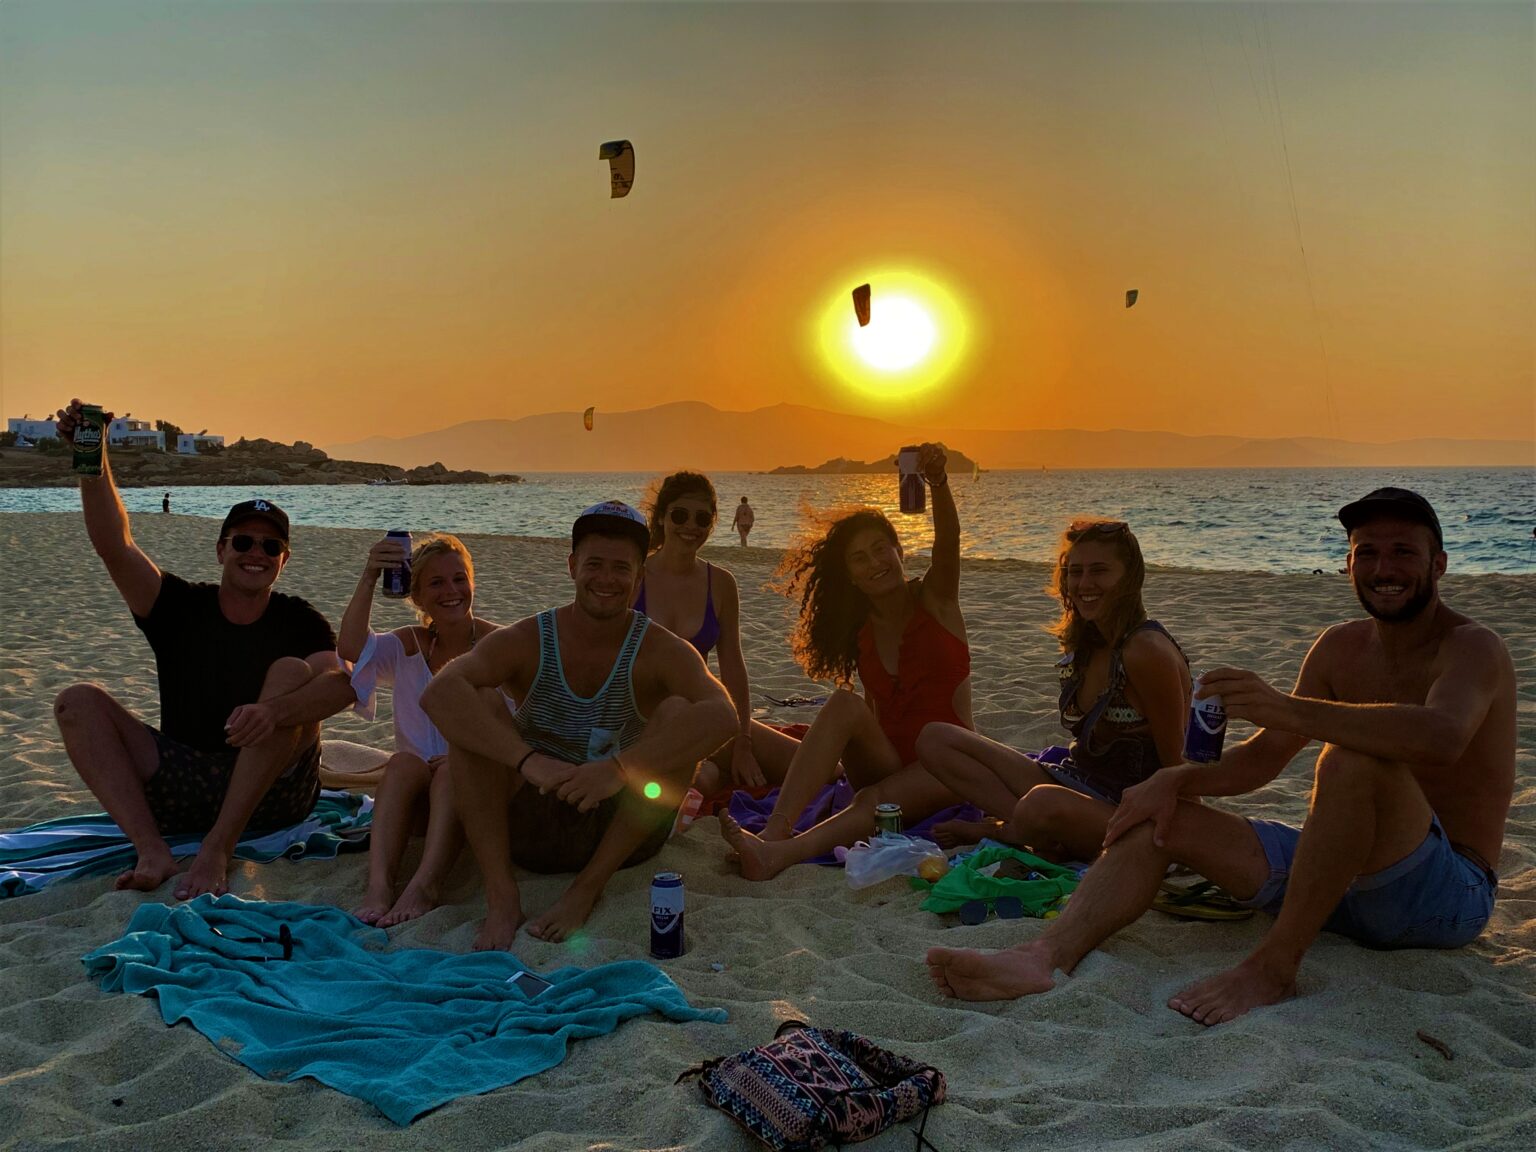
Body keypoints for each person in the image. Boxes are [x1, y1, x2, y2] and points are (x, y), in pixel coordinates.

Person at [927, 488, 1516, 1025]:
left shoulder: (1472, 648)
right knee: (1164, 812)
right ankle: (1042, 956)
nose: (1384, 569)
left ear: (1439, 564)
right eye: (1367, 554)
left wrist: (1286, 708)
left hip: (1442, 895)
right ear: (1348, 565)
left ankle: (1273, 968)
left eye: (1403, 553)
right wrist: (1177, 780)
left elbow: (1442, 736)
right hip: (1335, 881)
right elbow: (1259, 765)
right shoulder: (1339, 648)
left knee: (1352, 760)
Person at [50, 399, 355, 900]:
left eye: (270, 547)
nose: (255, 554)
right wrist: (94, 456)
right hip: (184, 779)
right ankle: (152, 849)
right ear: (221, 550)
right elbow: (114, 544)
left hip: (274, 790)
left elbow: (341, 684)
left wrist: (272, 712)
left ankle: (217, 849)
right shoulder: (178, 605)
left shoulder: (298, 618)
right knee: (76, 701)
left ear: (284, 560)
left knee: (290, 671)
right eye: (243, 543)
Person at [420, 501, 736, 949]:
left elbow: (723, 715)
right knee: (478, 703)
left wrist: (619, 769)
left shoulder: (658, 648)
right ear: (572, 567)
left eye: (620, 568)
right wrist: (528, 762)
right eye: (594, 565)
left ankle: (586, 889)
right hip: (532, 821)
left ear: (639, 577)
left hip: (619, 830)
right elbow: (439, 694)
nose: (606, 580)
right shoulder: (528, 638)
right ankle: (501, 893)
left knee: (680, 714)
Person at [721, 442, 974, 880]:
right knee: (842, 703)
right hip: (889, 765)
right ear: (851, 576)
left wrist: (937, 482)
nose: (875, 563)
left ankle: (782, 855)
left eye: (881, 549)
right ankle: (775, 833)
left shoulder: (936, 601)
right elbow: (872, 716)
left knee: (874, 800)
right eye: (860, 558)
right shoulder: (861, 632)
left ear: (899, 551)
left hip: (947, 766)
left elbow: (947, 543)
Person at [921, 520, 1190, 859]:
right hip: (1077, 782)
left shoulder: (1145, 650)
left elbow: (1178, 768)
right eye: (1075, 572)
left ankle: (1010, 830)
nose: (1084, 584)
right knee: (935, 739)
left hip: (1129, 812)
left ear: (1130, 577)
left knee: (1041, 803)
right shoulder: (1088, 641)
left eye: (1099, 571)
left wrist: (1183, 847)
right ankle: (1033, 829)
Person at [341, 533, 500, 926]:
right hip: (418, 802)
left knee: (450, 768)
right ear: (417, 598)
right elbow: (349, 648)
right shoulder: (410, 644)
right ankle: (379, 886)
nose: (452, 591)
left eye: (460, 579)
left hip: (476, 795)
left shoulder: (498, 644)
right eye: (436, 583)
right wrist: (368, 576)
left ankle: (424, 886)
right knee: (401, 764)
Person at [636, 472, 779, 793]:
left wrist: (743, 742)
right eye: (680, 515)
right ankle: (706, 771)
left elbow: (733, 666)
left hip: (704, 716)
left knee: (816, 767)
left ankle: (712, 766)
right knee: (703, 779)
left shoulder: (721, 584)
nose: (691, 526)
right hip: (643, 721)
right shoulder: (634, 576)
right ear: (662, 517)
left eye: (702, 518)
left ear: (712, 522)